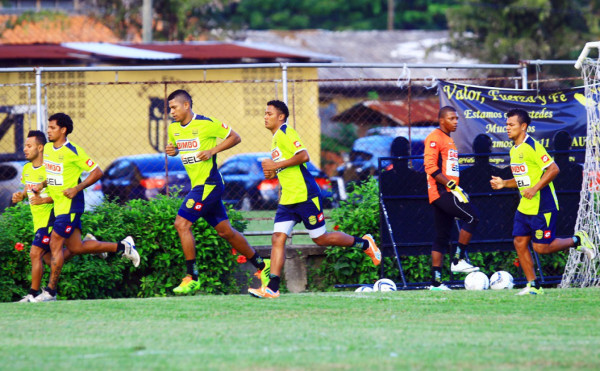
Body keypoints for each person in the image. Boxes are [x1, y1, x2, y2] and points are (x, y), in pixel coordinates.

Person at [248, 100, 381, 299]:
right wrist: (274, 171)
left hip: (305, 195)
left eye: (269, 113)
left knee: (320, 238)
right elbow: (287, 167)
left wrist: (275, 166)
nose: (265, 117)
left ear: (281, 117)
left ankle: (364, 244)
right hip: (288, 198)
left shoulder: (286, 132)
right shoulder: (276, 138)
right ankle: (272, 288)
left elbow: (304, 156)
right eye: (265, 113)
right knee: (278, 238)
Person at [165, 89, 269, 295]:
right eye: (170, 109)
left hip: (209, 184)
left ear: (186, 105)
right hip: (199, 185)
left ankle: (191, 277)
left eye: (174, 107)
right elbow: (178, 148)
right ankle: (262, 265)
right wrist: (174, 151)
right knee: (225, 232)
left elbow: (235, 137)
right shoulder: (173, 129)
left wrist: (213, 151)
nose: (172, 112)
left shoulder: (206, 123)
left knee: (181, 224)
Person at [32, 113, 140, 302]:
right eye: (48, 127)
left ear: (63, 130)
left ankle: (50, 292)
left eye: (52, 127)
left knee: (55, 243)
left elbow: (97, 172)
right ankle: (123, 247)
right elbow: (54, 175)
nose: (48, 131)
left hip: (71, 206)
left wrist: (77, 188)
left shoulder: (74, 151)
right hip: (57, 207)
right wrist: (42, 185)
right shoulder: (48, 149)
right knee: (75, 247)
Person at [490, 109, 596, 295]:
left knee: (541, 247)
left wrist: (535, 188)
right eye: (506, 125)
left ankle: (577, 240)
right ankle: (533, 286)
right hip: (525, 206)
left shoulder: (532, 146)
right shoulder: (514, 149)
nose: (507, 128)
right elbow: (523, 180)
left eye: (511, 125)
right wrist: (504, 183)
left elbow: (554, 169)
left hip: (542, 205)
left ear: (523, 126)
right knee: (519, 242)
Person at [424, 106, 480, 291]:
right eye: (452, 118)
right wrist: (451, 186)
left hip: (447, 191)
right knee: (472, 217)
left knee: (441, 237)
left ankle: (436, 283)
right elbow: (430, 167)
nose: (456, 121)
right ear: (441, 120)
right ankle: (458, 260)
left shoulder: (448, 139)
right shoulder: (434, 138)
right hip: (443, 192)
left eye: (457, 118)